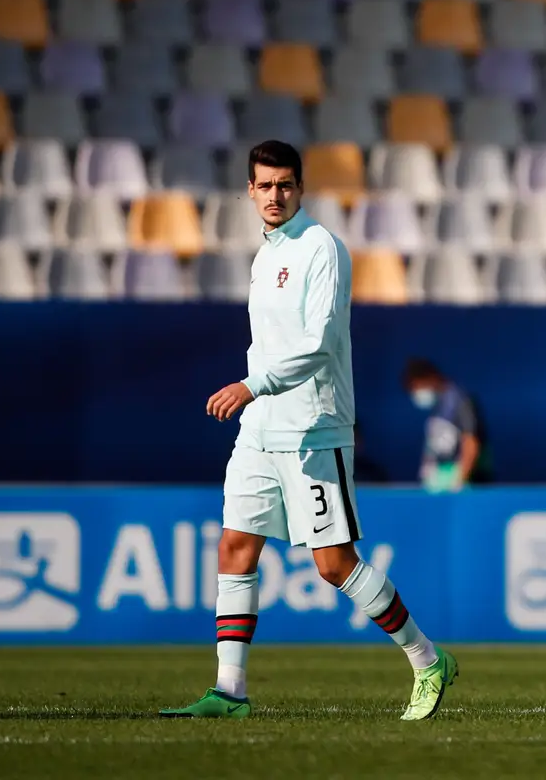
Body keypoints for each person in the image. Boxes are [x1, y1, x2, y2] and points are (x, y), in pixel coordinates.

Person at [160, 140, 458, 721]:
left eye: (285, 185)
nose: (275, 195)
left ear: (301, 188)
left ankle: (427, 660)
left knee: (332, 564)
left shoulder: (322, 248)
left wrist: (252, 386)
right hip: (259, 430)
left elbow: (318, 345)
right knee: (235, 545)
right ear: (250, 190)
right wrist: (256, 399)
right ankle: (230, 691)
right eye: (265, 186)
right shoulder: (265, 254)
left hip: (312, 427)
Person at [403, 359, 481, 493]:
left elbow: (470, 443)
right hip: (435, 481)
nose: (417, 393)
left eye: (418, 386)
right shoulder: (437, 405)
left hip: (455, 483)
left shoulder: (460, 400)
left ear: (430, 377)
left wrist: (459, 480)